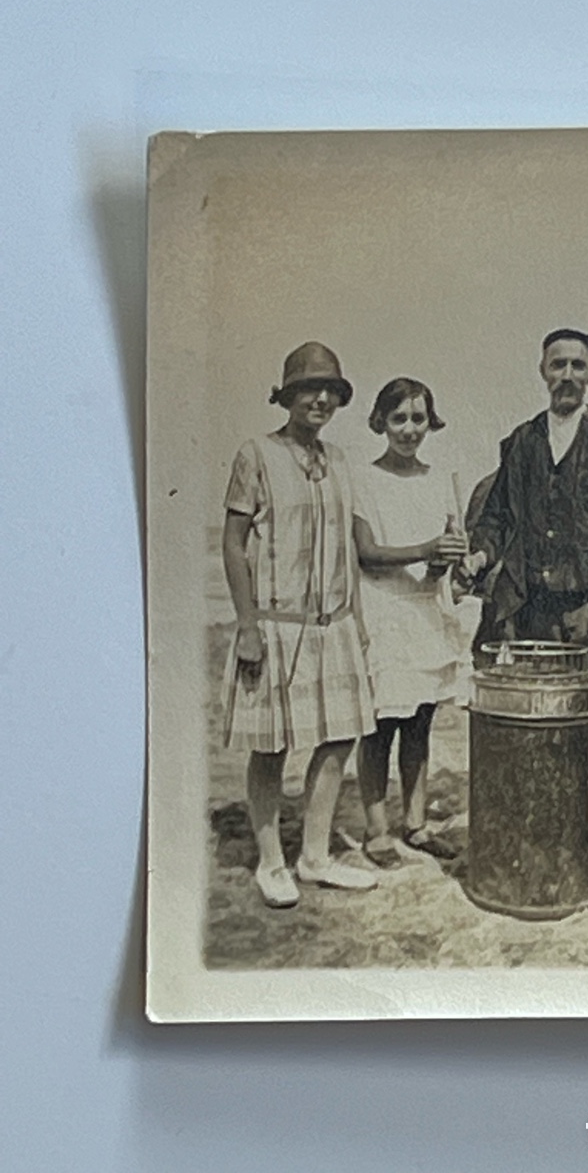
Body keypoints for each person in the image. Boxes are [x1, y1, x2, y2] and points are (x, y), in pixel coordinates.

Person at [466, 329, 588, 872]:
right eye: (557, 365)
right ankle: (544, 824)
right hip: (529, 608)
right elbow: (497, 517)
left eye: (578, 365)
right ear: (542, 372)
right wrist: (480, 554)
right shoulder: (520, 442)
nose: (567, 375)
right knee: (537, 719)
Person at [221, 342, 378, 907]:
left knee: (340, 736)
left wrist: (356, 620)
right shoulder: (257, 454)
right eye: (308, 389)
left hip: (332, 625)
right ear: (287, 397)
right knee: (270, 746)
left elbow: (346, 552)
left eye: (329, 390)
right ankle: (271, 862)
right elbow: (234, 545)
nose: (319, 399)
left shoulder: (338, 460)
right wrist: (246, 625)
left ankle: (314, 858)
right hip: (275, 624)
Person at [352, 377, 470, 868]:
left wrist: (449, 561)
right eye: (398, 418)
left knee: (420, 723)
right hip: (385, 610)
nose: (408, 429)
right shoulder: (363, 479)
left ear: (430, 422)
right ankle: (378, 830)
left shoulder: (440, 480)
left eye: (418, 418)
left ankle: (416, 824)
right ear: (381, 421)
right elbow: (366, 553)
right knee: (380, 726)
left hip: (427, 608)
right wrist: (425, 550)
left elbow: (446, 551)